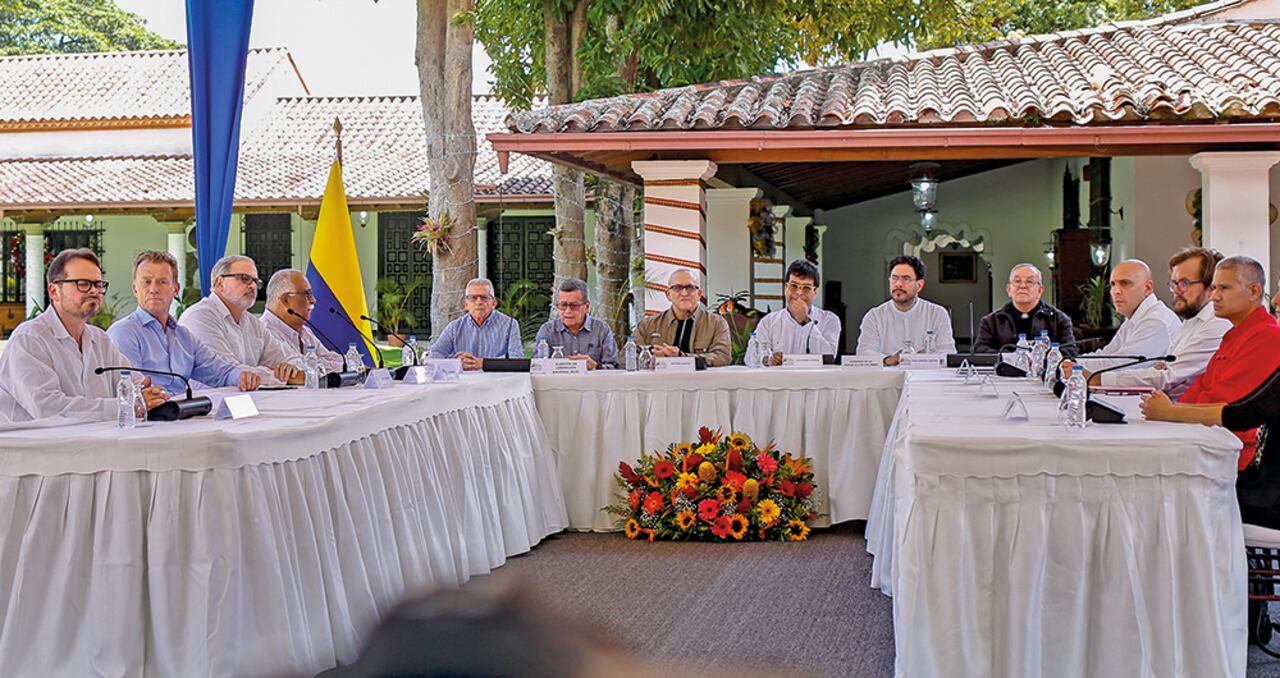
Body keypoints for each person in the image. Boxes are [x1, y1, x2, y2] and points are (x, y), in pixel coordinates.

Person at [0, 249, 168, 422]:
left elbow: (133, 384)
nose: (94, 290)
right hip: (37, 438)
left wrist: (148, 394)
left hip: (96, 436)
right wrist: (127, 405)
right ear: (54, 291)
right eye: (83, 283)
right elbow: (48, 408)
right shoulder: (30, 339)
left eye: (98, 284)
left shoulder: (100, 339)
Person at [1174, 255, 1280, 471]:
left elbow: (1224, 402)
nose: (1214, 296)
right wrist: (1174, 410)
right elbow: (1200, 388)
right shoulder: (1234, 334)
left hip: (1235, 456)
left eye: (1224, 288)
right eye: (1214, 288)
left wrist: (1170, 412)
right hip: (1207, 439)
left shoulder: (1267, 336)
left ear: (1254, 291)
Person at [1142, 369, 1280, 529]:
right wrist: (1171, 409)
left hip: (1268, 499)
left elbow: (1242, 415)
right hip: (1263, 487)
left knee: (1176, 496)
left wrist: (1169, 412)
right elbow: (1240, 407)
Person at [109, 250, 261, 393]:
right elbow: (130, 391)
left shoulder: (184, 336)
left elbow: (220, 372)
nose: (153, 289)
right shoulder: (123, 334)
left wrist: (242, 377)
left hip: (184, 409)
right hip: (149, 412)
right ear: (135, 289)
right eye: (146, 282)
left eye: (162, 282)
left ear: (176, 289)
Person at [1097, 247, 1230, 397]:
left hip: (1182, 408)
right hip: (1166, 404)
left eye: (1184, 283)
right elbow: (1163, 367)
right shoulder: (1191, 321)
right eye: (1174, 283)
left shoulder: (1218, 324)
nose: (1176, 291)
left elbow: (1168, 377)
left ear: (1211, 286)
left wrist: (1099, 379)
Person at [179, 255, 303, 385]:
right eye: (245, 278)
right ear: (220, 283)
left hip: (248, 396)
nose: (253, 286)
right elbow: (229, 372)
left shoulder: (253, 323)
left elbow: (291, 358)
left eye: (256, 282)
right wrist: (283, 377)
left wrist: (291, 368)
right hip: (209, 397)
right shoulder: (200, 317)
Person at [1078, 259, 1180, 370]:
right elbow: (1107, 354)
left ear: (1148, 288)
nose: (1116, 291)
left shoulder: (1155, 321)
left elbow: (1120, 366)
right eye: (1113, 284)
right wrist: (1071, 362)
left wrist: (1074, 366)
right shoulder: (1135, 316)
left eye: (1125, 283)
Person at [855, 255, 955, 365]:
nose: (898, 284)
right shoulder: (874, 316)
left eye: (906, 279)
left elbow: (948, 353)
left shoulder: (937, 313)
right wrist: (889, 360)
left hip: (926, 374)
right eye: (894, 278)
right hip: (888, 374)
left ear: (919, 285)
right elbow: (863, 354)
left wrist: (923, 358)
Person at [634, 269, 732, 367]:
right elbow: (628, 356)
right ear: (668, 295)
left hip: (701, 377)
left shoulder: (716, 323)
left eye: (690, 287)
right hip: (660, 377)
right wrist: (651, 360)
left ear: (699, 294)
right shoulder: (648, 325)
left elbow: (723, 357)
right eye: (677, 288)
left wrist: (681, 357)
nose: (684, 293)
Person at [974, 263, 1077, 355]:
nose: (1023, 286)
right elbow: (980, 350)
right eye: (1017, 281)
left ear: (1040, 290)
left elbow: (1070, 350)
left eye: (1029, 281)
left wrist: (1040, 356)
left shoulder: (1059, 319)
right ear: (1009, 290)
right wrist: (1012, 356)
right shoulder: (991, 321)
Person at [260, 268, 346, 374]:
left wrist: (353, 365)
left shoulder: (305, 331)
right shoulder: (263, 332)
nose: (313, 300)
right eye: (307, 294)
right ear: (286, 299)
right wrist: (346, 367)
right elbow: (303, 368)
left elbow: (329, 358)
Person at [755, 259, 841, 360]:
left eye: (806, 288)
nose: (799, 293)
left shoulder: (829, 319)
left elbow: (829, 358)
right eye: (794, 286)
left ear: (815, 292)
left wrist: (805, 321)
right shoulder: (768, 322)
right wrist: (768, 360)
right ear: (786, 288)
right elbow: (751, 356)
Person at [429, 277, 523, 370]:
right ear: (466, 304)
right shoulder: (454, 328)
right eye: (473, 298)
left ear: (494, 303)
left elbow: (517, 360)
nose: (478, 302)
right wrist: (456, 363)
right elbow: (434, 355)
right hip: (464, 379)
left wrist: (484, 363)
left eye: (484, 298)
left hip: (498, 378)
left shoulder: (509, 325)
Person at [533, 278, 619, 369]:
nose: (568, 311)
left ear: (586, 307)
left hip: (592, 378)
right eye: (563, 305)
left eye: (574, 305)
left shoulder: (601, 330)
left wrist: (596, 366)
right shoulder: (547, 330)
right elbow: (536, 366)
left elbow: (613, 366)